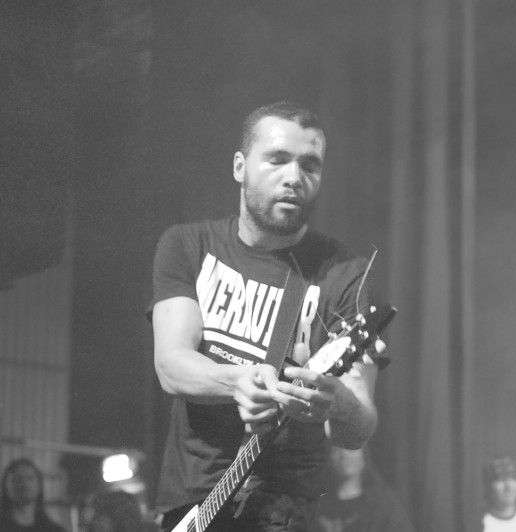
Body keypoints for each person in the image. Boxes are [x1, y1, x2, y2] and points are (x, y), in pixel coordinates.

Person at [150, 101, 385, 532]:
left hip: (283, 511)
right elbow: (170, 365)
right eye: (277, 159)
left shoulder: (343, 273)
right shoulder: (188, 245)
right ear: (240, 166)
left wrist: (339, 403)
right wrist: (236, 381)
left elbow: (358, 429)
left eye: (310, 165)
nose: (294, 177)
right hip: (191, 505)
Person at [313, 445, 415, 532]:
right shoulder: (316, 505)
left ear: (364, 457)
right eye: (337, 450)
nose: (344, 454)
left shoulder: (384, 505)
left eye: (351, 448)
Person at [0, 458, 66, 532]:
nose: (24, 483)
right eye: (18, 478)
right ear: (6, 486)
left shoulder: (54, 530)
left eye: (30, 478)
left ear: (39, 485)